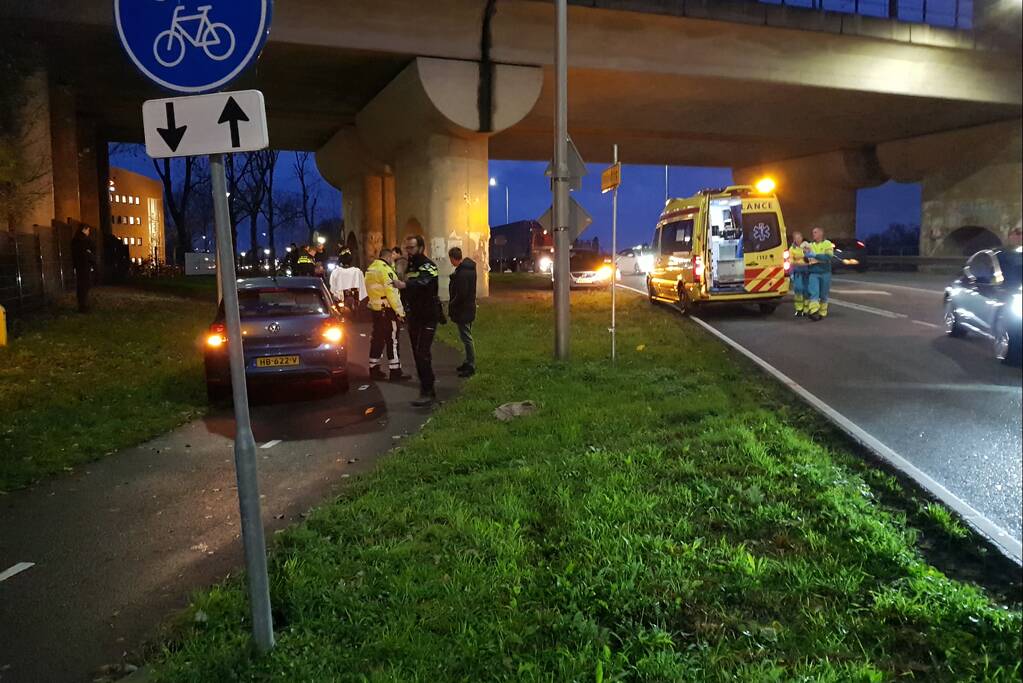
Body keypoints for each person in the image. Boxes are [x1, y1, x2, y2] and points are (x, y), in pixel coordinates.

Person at [401, 235, 441, 406]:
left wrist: (405, 285)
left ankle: (428, 391)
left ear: (420, 247)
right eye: (407, 248)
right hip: (414, 316)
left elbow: (423, 283)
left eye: (411, 247)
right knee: (418, 355)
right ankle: (426, 388)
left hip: (428, 316)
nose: (408, 251)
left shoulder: (429, 266)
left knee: (422, 353)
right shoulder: (410, 265)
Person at [365, 248, 411, 382]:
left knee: (377, 339)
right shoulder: (386, 270)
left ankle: (374, 369)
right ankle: (395, 371)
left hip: (376, 311)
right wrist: (400, 312)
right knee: (392, 340)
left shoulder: (370, 269)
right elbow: (392, 293)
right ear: (389, 257)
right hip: (388, 311)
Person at [447, 246, 477, 377]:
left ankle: (471, 364)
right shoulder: (467, 270)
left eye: (450, 259)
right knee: (466, 336)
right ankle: (468, 361)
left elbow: (461, 294)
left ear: (454, 258)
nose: (450, 262)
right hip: (468, 308)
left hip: (463, 309)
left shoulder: (462, 273)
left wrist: (452, 304)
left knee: (467, 337)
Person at [804, 226, 835, 321]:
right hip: (813, 272)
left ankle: (822, 312)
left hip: (825, 273)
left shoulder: (827, 244)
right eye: (813, 232)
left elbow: (828, 257)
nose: (813, 234)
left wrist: (815, 256)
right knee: (814, 293)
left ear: (821, 233)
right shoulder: (809, 245)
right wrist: (818, 258)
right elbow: (806, 258)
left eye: (815, 232)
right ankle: (814, 311)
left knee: (823, 294)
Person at [329, 249, 367, 319]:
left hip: (341, 300)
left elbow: (332, 288)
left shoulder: (336, 272)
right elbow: (363, 287)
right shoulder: (357, 271)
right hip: (355, 298)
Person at [71, 224, 96, 313]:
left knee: (81, 286)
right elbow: (89, 252)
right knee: (84, 286)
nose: (89, 232)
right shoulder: (83, 240)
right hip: (84, 266)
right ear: (84, 230)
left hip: (79, 266)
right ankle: (83, 306)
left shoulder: (76, 240)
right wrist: (90, 256)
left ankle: (82, 305)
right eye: (88, 230)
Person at [788, 230, 810, 317]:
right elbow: (791, 261)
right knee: (798, 289)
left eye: (799, 237)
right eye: (796, 238)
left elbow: (811, 256)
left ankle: (806, 309)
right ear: (794, 239)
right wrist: (801, 263)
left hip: (807, 271)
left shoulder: (806, 246)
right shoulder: (792, 249)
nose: (798, 239)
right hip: (797, 271)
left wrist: (807, 254)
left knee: (807, 290)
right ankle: (799, 309)